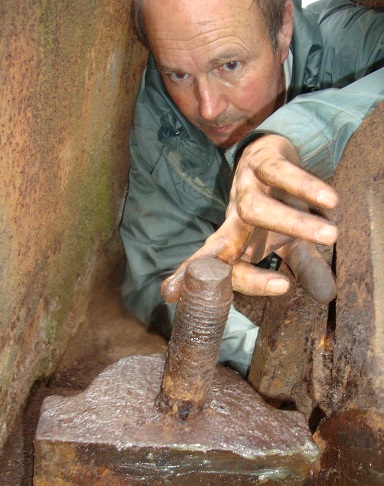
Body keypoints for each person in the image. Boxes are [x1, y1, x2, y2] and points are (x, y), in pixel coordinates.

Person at [120, 0, 384, 377]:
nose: (207, 109)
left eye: (230, 65)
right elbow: (157, 271)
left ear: (283, 30)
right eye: (178, 75)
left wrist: (290, 138)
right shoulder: (163, 111)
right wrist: (276, 360)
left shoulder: (353, 44)